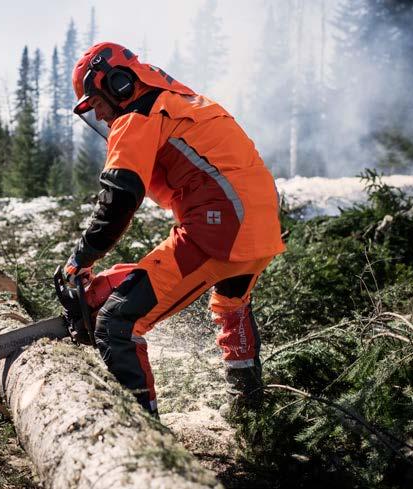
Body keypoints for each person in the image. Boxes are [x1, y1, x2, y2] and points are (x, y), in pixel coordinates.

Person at [61, 42, 285, 418]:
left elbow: (119, 197)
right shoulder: (183, 103)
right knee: (231, 306)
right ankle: (252, 417)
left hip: (222, 229)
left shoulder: (140, 114)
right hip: (260, 224)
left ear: (117, 84)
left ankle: (144, 441)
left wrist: (80, 258)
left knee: (117, 321)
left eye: (96, 102)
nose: (99, 116)